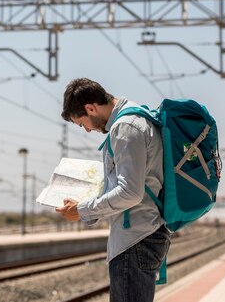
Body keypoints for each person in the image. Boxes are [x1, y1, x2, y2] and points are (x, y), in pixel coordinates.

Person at [56, 77, 170, 302]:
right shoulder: (134, 117)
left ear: (90, 108)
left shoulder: (126, 127)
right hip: (141, 235)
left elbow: (130, 192)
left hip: (135, 239)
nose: (87, 130)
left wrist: (82, 210)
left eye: (82, 123)